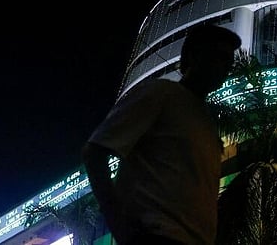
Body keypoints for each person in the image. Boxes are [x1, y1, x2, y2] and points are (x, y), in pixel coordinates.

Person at [82, 24, 241, 245]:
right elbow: (95, 152)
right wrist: (122, 229)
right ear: (194, 56)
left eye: (229, 62)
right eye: (219, 57)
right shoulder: (161, 93)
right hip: (156, 237)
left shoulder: (208, 125)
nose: (226, 67)